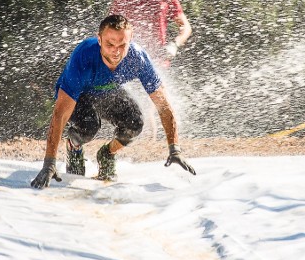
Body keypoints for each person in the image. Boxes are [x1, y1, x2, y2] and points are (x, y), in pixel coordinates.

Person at [30, 14, 196, 188]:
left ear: (130, 41)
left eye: (122, 45)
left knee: (135, 123)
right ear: (99, 40)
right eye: (110, 44)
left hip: (108, 91)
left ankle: (107, 154)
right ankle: (74, 144)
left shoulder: (138, 58)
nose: (116, 51)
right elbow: (60, 114)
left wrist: (174, 148)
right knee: (90, 126)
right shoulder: (83, 56)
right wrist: (49, 163)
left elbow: (163, 106)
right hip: (79, 96)